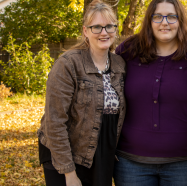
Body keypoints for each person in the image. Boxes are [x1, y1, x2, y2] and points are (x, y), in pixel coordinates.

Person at [37, 1, 126, 186]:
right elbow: (54, 121)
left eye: (109, 26)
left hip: (103, 155)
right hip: (67, 155)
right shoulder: (68, 64)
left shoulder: (119, 64)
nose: (104, 32)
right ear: (86, 31)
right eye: (97, 27)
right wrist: (69, 173)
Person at [113, 0, 187, 185]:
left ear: (181, 20)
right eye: (158, 16)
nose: (164, 22)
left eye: (171, 16)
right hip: (131, 163)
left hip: (183, 162)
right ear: (149, 20)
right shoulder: (129, 50)